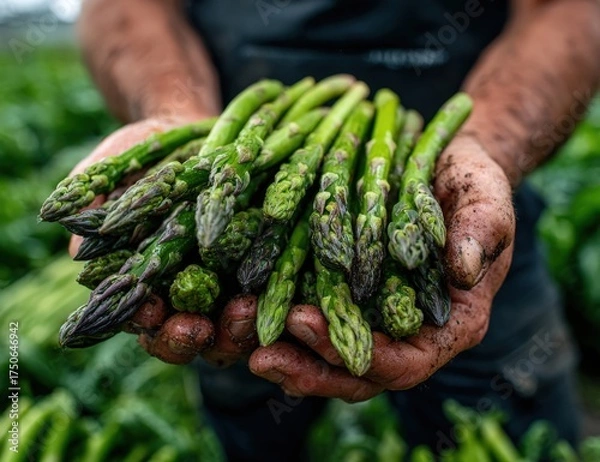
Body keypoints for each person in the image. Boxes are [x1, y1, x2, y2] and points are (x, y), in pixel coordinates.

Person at [71, 0, 600, 460]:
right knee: (249, 399)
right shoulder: (227, 182)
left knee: (512, 416)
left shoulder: (417, 203)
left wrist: (488, 142)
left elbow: (568, 9)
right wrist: (181, 121)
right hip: (233, 218)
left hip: (452, 213)